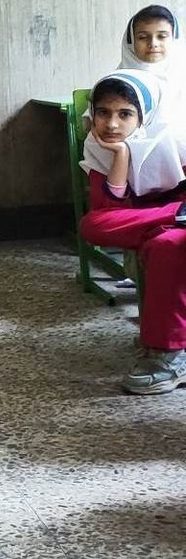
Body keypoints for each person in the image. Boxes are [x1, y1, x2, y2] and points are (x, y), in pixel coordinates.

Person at [77, 72, 186, 393]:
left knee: (167, 246)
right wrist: (122, 154)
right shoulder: (98, 148)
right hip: (156, 221)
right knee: (91, 225)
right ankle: (178, 215)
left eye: (125, 114)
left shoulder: (175, 139)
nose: (112, 124)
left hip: (167, 230)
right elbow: (106, 213)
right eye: (103, 112)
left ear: (144, 116)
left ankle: (168, 354)